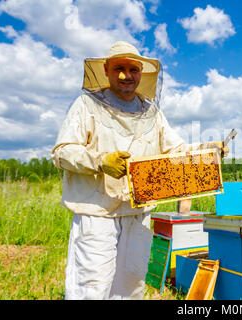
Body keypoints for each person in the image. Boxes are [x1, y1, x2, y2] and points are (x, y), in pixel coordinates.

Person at [51, 41, 227, 300]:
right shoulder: (86, 105)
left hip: (138, 213)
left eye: (133, 69)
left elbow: (175, 151)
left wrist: (207, 151)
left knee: (131, 285)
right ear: (107, 70)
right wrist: (101, 161)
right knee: (92, 286)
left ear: (141, 73)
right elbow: (62, 152)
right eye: (119, 68)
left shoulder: (151, 113)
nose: (126, 75)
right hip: (98, 212)